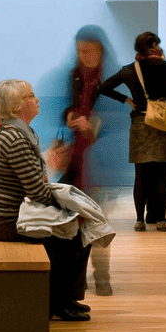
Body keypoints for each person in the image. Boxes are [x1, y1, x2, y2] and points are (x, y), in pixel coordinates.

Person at [0, 79, 92, 322]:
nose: (37, 99)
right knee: (74, 233)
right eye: (31, 96)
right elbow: (37, 192)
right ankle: (60, 302)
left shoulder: (17, 132)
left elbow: (35, 185)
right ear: (16, 106)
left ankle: (66, 299)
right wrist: (68, 205)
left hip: (7, 215)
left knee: (76, 228)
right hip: (7, 221)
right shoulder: (17, 138)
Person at [98, 31, 166, 232]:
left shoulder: (129, 69)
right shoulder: (165, 66)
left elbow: (103, 87)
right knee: (160, 173)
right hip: (160, 123)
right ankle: (160, 220)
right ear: (153, 46)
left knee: (141, 174)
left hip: (140, 122)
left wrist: (126, 100)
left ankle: (140, 220)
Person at [57, 26, 113, 295]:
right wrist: (69, 117)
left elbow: (119, 120)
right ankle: (79, 278)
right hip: (77, 159)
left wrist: (95, 127)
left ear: (100, 50)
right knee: (76, 223)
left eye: (88, 50)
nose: (83, 56)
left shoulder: (112, 80)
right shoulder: (75, 77)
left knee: (97, 222)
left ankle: (102, 277)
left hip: (101, 163)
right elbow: (67, 107)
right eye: (80, 51)